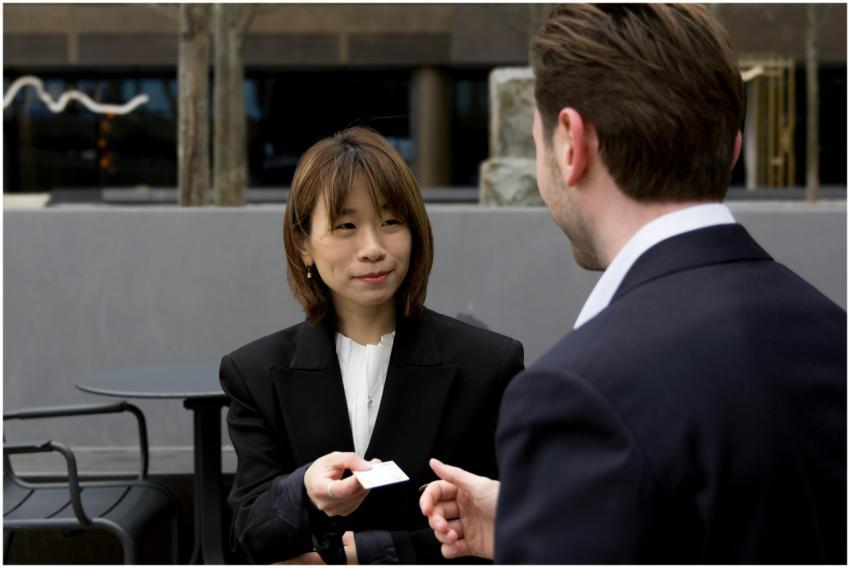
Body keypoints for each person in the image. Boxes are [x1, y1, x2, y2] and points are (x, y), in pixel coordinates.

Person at [420, 4, 846, 564]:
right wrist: (544, 514)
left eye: (538, 142)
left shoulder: (576, 393)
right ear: (734, 147)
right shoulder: (830, 331)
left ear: (571, 144)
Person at [220, 126, 524, 564]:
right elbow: (249, 532)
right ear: (303, 243)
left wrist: (369, 553)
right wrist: (303, 490)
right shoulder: (254, 372)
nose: (373, 248)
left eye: (391, 222)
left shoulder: (488, 365)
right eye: (346, 225)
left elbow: (520, 519)